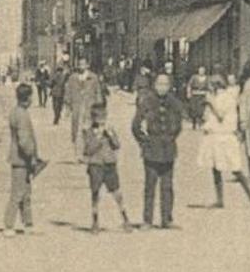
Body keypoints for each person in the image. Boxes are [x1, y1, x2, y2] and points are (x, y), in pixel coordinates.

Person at [197, 75, 250, 209]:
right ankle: (220, 200)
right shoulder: (215, 97)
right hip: (214, 136)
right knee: (215, 168)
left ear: (216, 86)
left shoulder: (227, 97)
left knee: (235, 169)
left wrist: (211, 102)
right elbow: (207, 117)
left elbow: (220, 114)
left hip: (225, 137)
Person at [131, 73, 182, 229]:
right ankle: (147, 219)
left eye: (165, 84)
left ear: (169, 86)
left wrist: (171, 136)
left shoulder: (174, 103)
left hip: (168, 149)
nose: (162, 87)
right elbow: (135, 126)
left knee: (167, 186)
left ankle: (167, 219)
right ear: (154, 85)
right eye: (159, 84)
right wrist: (144, 141)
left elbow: (178, 124)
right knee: (150, 185)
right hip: (151, 150)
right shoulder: (146, 102)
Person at [83, 103, 131, 233]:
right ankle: (95, 221)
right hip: (96, 165)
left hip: (109, 164)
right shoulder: (88, 132)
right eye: (98, 117)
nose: (101, 120)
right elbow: (87, 150)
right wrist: (98, 138)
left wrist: (110, 135)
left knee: (117, 192)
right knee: (95, 193)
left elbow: (117, 145)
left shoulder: (110, 130)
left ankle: (125, 218)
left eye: (103, 117)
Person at [3, 83, 39, 237]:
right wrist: (32, 156)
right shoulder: (22, 115)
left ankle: (28, 223)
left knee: (25, 192)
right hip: (21, 159)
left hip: (18, 158)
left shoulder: (15, 112)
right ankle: (9, 224)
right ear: (28, 97)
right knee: (18, 192)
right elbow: (24, 140)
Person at [65, 58, 103, 159]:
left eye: (83, 64)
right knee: (76, 131)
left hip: (89, 108)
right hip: (77, 107)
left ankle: (87, 152)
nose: (81, 66)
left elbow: (98, 93)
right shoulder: (72, 78)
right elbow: (68, 92)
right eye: (79, 64)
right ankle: (78, 154)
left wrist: (99, 109)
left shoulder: (93, 78)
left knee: (88, 130)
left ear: (87, 65)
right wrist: (68, 107)